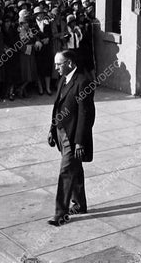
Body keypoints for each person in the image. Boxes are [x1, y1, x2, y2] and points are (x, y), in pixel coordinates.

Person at [47, 50, 95, 226]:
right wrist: (52, 129)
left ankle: (60, 213)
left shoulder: (83, 82)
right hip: (61, 132)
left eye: (59, 64)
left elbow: (86, 114)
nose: (56, 67)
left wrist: (79, 142)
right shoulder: (64, 78)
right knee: (75, 168)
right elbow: (58, 107)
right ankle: (80, 204)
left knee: (66, 171)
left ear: (70, 63)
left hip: (73, 136)